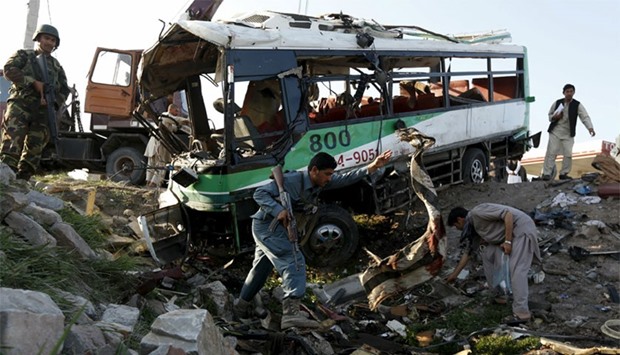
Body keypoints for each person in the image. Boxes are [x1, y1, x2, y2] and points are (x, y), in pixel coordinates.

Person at [234, 149, 393, 329]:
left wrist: (371, 167)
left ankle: (240, 307)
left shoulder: (319, 183)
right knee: (294, 260)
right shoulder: (293, 180)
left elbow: (344, 178)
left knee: (261, 269)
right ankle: (291, 314)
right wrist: (279, 211)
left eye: (331, 174)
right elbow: (259, 193)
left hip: (276, 229)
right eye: (327, 174)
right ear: (314, 170)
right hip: (269, 227)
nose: (329, 178)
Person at [446, 203, 542, 323]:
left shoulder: (477, 212)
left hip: (520, 229)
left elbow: (508, 215)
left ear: (460, 220)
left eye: (456, 226)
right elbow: (468, 253)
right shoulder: (473, 228)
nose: (457, 229)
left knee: (516, 270)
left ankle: (522, 313)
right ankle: (499, 296)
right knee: (487, 254)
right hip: (506, 237)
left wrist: (507, 241)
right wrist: (453, 276)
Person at [0, 24, 70, 180]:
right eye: (46, 38)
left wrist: (53, 103)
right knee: (13, 141)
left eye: (53, 40)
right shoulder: (24, 56)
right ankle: (5, 179)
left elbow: (64, 90)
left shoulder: (56, 67)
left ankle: (23, 180)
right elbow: (9, 70)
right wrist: (32, 82)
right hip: (21, 105)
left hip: (43, 110)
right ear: (38, 38)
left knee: (35, 148)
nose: (49, 43)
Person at [540, 84, 595, 181]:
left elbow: (584, 117)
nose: (569, 93)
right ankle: (547, 174)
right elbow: (550, 115)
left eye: (571, 91)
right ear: (563, 93)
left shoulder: (577, 105)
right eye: (567, 92)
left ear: (574, 92)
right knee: (551, 152)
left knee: (568, 154)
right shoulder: (557, 103)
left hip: (568, 133)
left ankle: (564, 173)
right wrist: (554, 117)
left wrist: (590, 128)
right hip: (555, 131)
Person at [144, 103, 190, 187]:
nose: (177, 112)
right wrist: (187, 121)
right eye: (176, 111)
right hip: (159, 143)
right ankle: (153, 184)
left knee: (152, 164)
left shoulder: (166, 120)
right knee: (161, 163)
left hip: (155, 142)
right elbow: (176, 120)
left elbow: (174, 127)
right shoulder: (165, 115)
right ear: (171, 109)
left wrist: (184, 126)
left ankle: (149, 184)